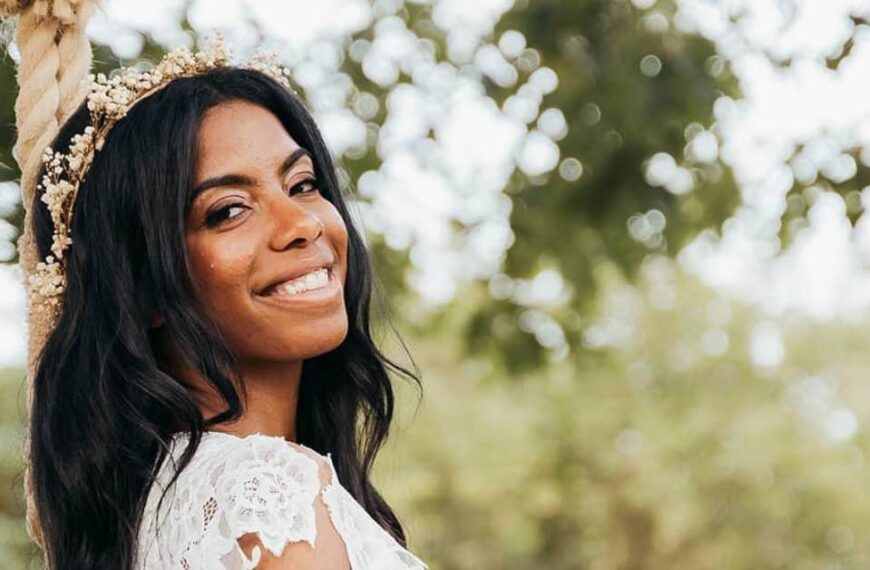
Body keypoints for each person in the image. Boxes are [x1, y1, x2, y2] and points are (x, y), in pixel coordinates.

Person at [24, 43, 428, 570]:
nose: (302, 224)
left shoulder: (165, 501)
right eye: (229, 210)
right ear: (142, 289)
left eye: (302, 184)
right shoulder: (269, 501)